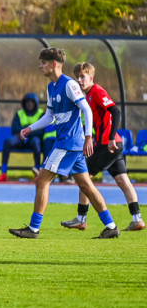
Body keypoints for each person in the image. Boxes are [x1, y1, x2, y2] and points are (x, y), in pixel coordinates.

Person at [9, 47, 119, 239]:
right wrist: (30, 128)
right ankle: (111, 226)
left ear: (53, 65)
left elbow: (85, 109)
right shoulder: (51, 87)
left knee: (42, 180)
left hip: (68, 143)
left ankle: (33, 229)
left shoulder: (69, 84)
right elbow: (50, 116)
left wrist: (87, 137)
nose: (39, 66)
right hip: (69, 143)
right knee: (86, 186)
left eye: (43, 63)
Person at [59, 62, 143, 232]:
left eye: (83, 76)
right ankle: (137, 219)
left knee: (84, 178)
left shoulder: (97, 91)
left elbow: (116, 111)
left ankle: (81, 218)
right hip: (112, 143)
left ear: (91, 77)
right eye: (77, 77)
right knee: (122, 180)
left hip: (108, 144)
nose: (79, 80)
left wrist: (111, 138)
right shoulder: (87, 96)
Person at [0, 93, 45, 182]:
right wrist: (28, 130)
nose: (29, 104)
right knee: (8, 141)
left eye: (31, 102)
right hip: (21, 139)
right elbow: (15, 128)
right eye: (27, 102)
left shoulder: (41, 113)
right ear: (24, 103)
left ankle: (37, 171)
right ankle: (3, 173)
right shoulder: (19, 113)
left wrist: (27, 130)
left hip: (33, 140)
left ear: (35, 103)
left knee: (36, 142)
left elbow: (41, 131)